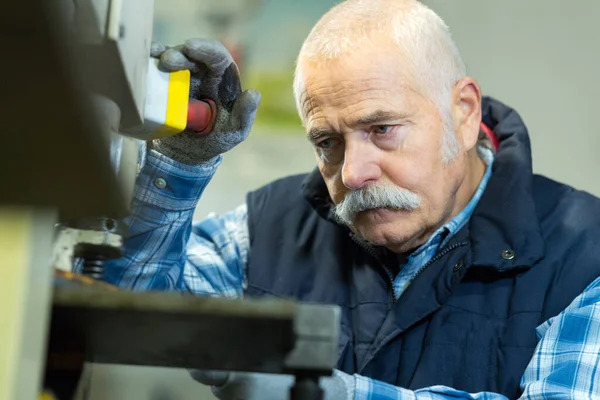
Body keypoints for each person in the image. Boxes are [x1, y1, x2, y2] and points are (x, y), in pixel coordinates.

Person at [91, 0, 600, 398]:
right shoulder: (270, 225)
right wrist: (182, 162)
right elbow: (126, 319)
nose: (353, 173)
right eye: (327, 142)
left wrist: (334, 395)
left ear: (464, 113)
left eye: (382, 129)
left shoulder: (585, 256)